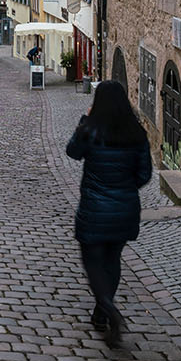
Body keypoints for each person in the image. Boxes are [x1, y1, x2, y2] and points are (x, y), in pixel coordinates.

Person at [65, 80, 153, 346]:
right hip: (125, 209)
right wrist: (124, 189)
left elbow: (72, 152)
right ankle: (101, 313)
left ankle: (107, 306)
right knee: (112, 260)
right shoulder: (137, 133)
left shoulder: (91, 129)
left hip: (94, 208)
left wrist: (84, 120)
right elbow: (144, 175)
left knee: (93, 260)